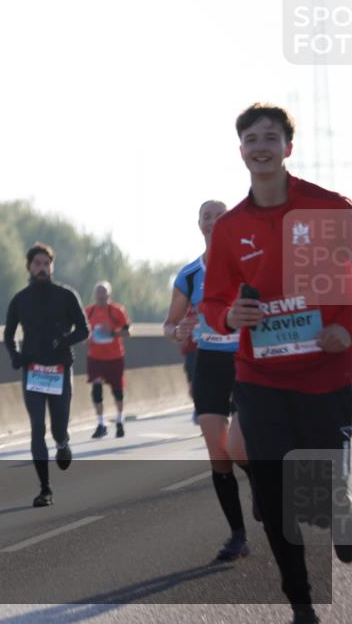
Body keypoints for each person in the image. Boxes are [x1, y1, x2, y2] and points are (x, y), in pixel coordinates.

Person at [201, 103, 352, 624]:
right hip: (259, 378)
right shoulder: (230, 229)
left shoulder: (331, 210)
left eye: (270, 138)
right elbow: (213, 302)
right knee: (272, 491)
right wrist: (229, 314)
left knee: (328, 491)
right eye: (251, 139)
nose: (260, 147)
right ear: (241, 150)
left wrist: (346, 328)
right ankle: (302, 603)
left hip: (327, 376)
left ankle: (342, 519)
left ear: (288, 147)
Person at [164, 199, 257, 564]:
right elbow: (169, 324)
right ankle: (237, 535)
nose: (214, 222)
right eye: (207, 217)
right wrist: (178, 330)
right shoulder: (189, 274)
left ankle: (265, 489)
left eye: (221, 216)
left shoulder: (251, 263)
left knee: (239, 449)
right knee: (218, 453)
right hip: (210, 361)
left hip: (247, 360)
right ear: (199, 225)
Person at [4, 242, 89, 507]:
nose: (42, 268)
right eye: (37, 264)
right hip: (33, 371)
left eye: (46, 264)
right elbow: (8, 334)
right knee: (37, 428)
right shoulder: (20, 299)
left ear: (52, 267)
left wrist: (64, 341)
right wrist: (16, 355)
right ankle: (45, 489)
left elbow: (83, 330)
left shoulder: (66, 296)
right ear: (29, 267)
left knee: (57, 427)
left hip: (59, 370)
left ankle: (63, 443)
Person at [84, 281, 131, 438]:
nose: (101, 295)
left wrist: (112, 332)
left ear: (109, 294)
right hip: (95, 357)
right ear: (94, 294)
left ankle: (119, 420)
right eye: (98, 292)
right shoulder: (89, 312)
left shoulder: (116, 311)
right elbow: (83, 333)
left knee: (117, 391)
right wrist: (87, 340)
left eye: (103, 292)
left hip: (114, 357)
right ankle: (101, 423)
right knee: (96, 388)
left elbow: (127, 332)